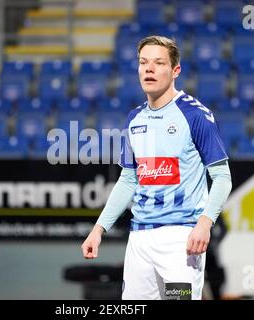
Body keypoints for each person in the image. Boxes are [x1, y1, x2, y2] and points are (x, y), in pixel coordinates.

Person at [81, 35, 232, 300]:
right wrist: (98, 229)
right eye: (143, 62)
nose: (148, 69)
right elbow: (128, 180)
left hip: (182, 238)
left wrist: (204, 224)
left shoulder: (195, 115)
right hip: (140, 238)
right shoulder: (134, 119)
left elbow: (222, 177)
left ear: (175, 71)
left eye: (158, 63)